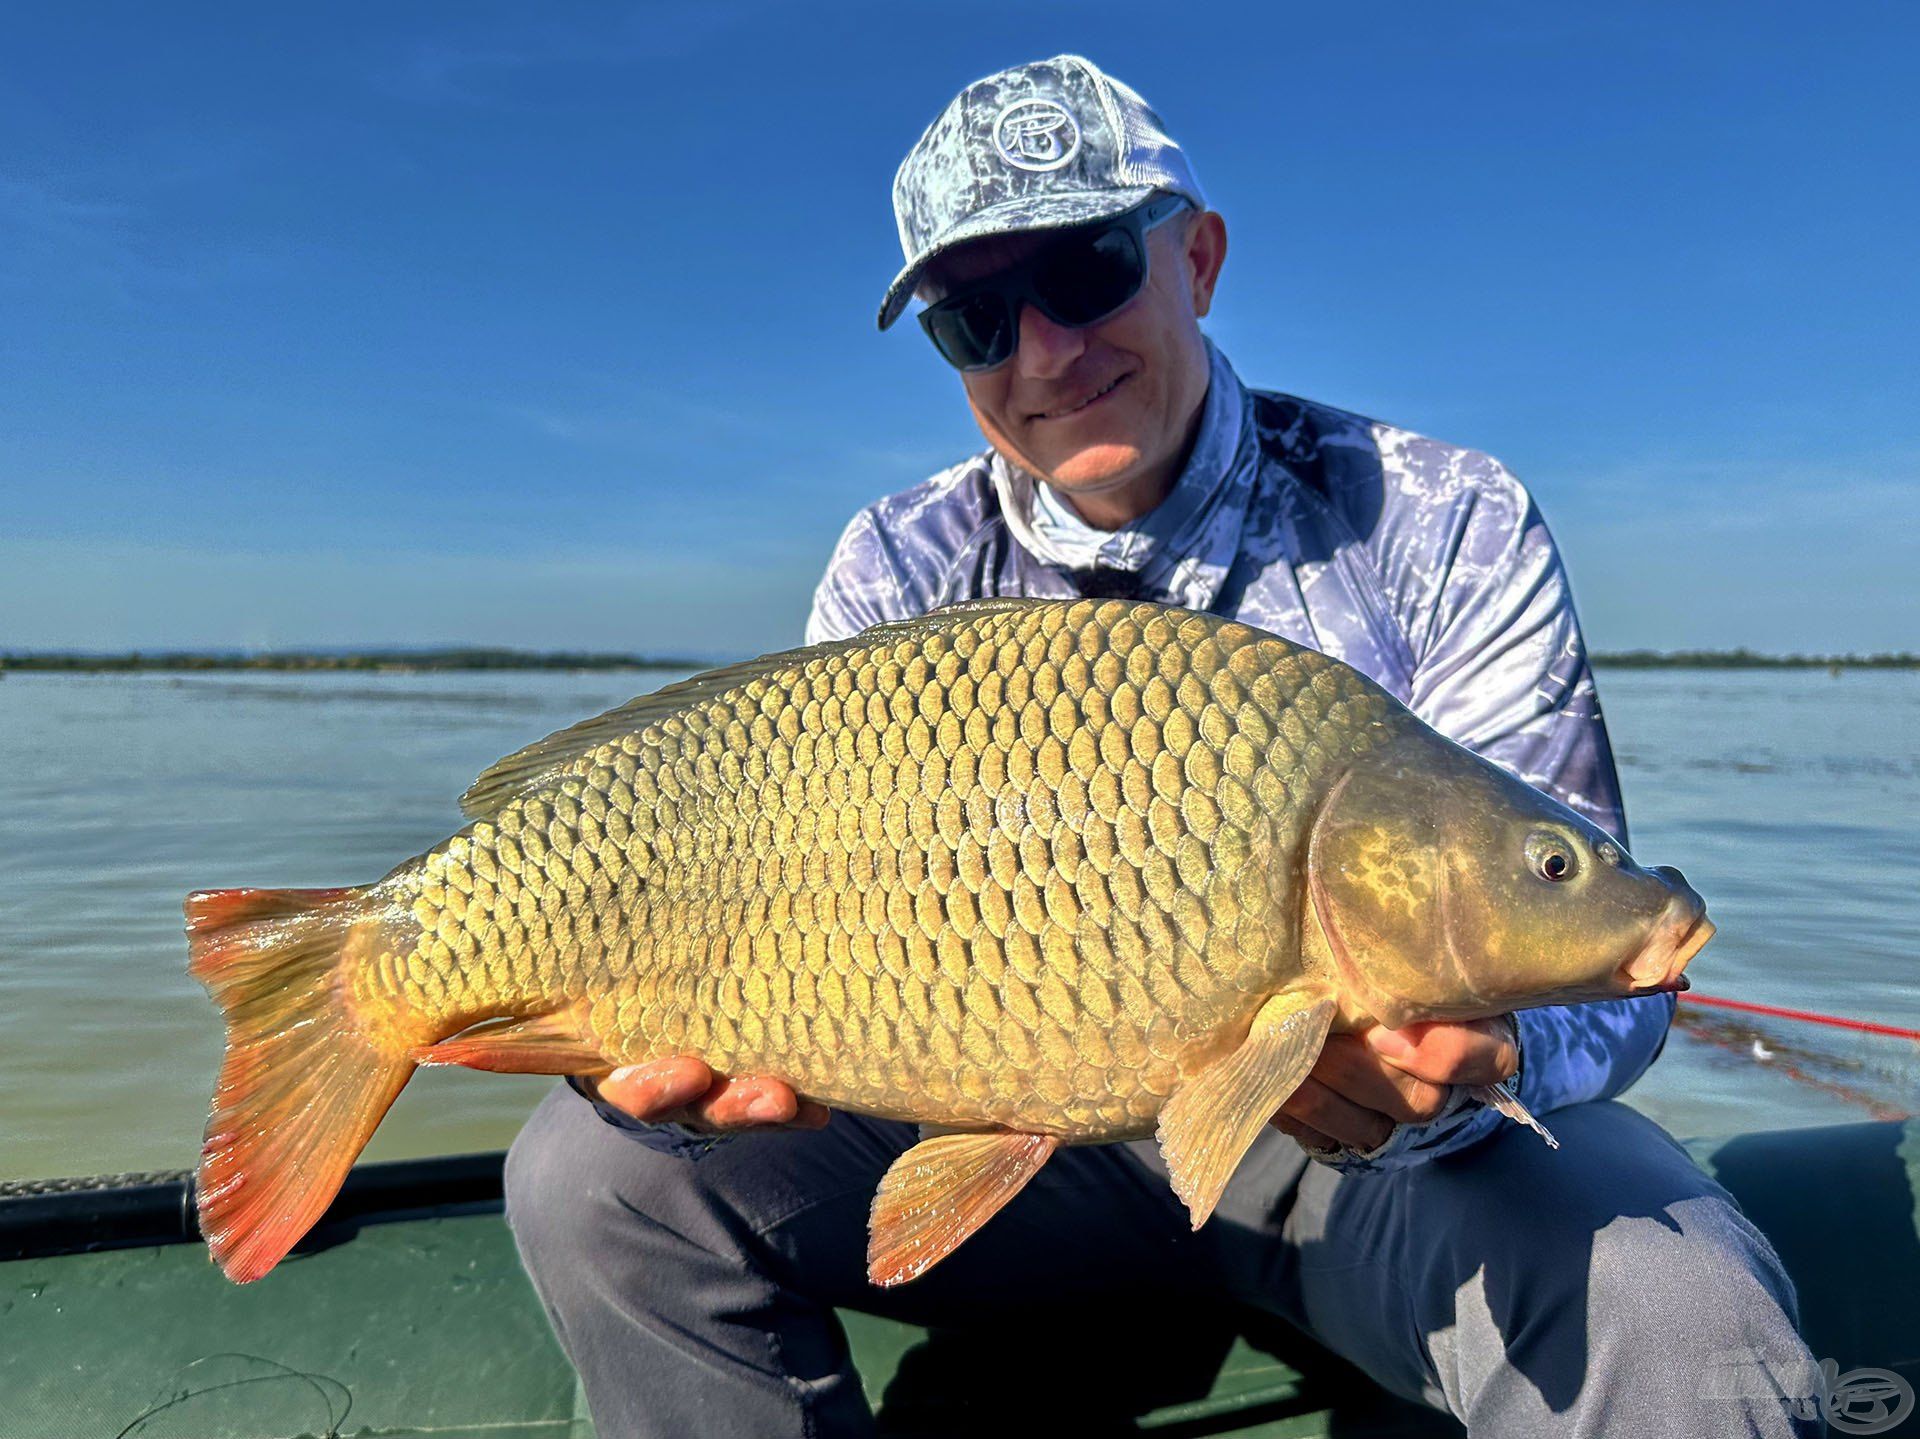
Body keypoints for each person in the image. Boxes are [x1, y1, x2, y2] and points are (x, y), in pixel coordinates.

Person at [506, 54, 1820, 1437]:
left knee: (1681, 1310)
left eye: (1083, 275)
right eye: (976, 321)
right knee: (590, 1173)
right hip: (1017, 1146)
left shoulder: (1438, 514)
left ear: (1196, 256)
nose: (1046, 352)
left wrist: (1458, 1077)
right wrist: (667, 1041)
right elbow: (796, 924)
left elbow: (1599, 979)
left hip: (1391, 1180)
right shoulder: (897, 559)